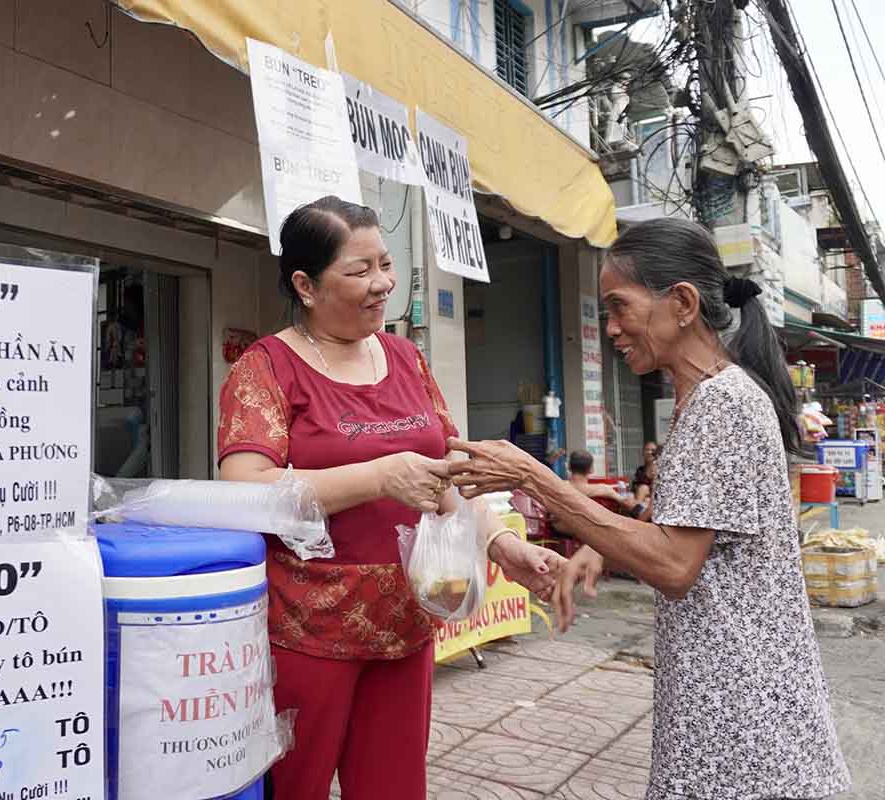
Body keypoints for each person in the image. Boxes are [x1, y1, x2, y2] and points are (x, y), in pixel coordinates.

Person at [446, 217, 849, 800]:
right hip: (731, 699)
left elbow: (674, 565)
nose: (609, 328)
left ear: (682, 303)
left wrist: (534, 476)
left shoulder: (721, 405)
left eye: (618, 308)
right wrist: (595, 546)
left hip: (741, 714)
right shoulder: (707, 398)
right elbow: (690, 532)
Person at [216, 196, 563, 800]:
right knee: (293, 787)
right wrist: (377, 476)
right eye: (358, 271)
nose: (382, 285)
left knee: (393, 788)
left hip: (408, 622)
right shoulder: (266, 367)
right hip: (306, 630)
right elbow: (244, 490)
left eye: (385, 264)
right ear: (305, 283)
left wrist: (504, 545)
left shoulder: (408, 359)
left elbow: (448, 477)